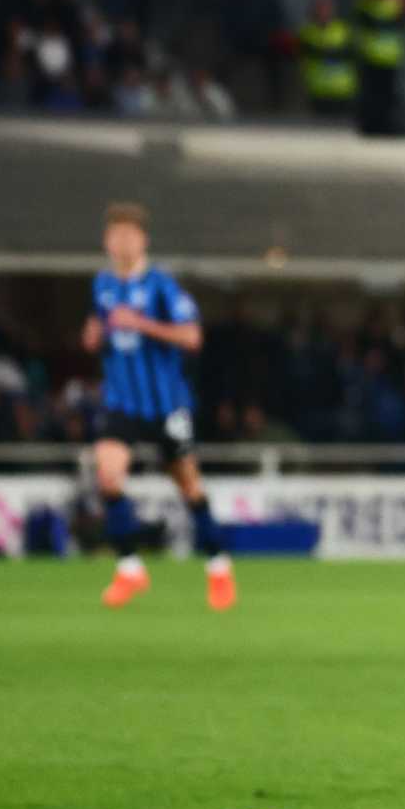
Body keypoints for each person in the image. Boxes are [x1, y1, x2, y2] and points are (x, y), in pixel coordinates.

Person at [81, 203, 236, 612]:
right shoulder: (101, 285)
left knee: (189, 486)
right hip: (122, 402)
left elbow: (192, 337)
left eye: (129, 235)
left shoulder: (162, 286)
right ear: (106, 241)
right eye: (115, 235)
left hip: (168, 407)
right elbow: (96, 330)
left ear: (143, 241)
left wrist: (142, 324)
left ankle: (219, 567)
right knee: (108, 476)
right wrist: (94, 335)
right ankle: (130, 568)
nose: (122, 243)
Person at [353, 0, 405, 135]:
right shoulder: (365, 5)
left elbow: (404, 24)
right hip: (371, 58)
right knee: (371, 96)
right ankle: (370, 127)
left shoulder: (394, 6)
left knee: (388, 96)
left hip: (390, 58)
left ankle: (387, 127)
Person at [296, 0, 356, 117]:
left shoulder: (343, 30)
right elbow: (304, 54)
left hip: (342, 89)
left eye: (326, 10)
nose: (323, 13)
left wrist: (327, 51)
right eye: (320, 10)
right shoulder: (307, 32)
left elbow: (351, 52)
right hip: (319, 90)